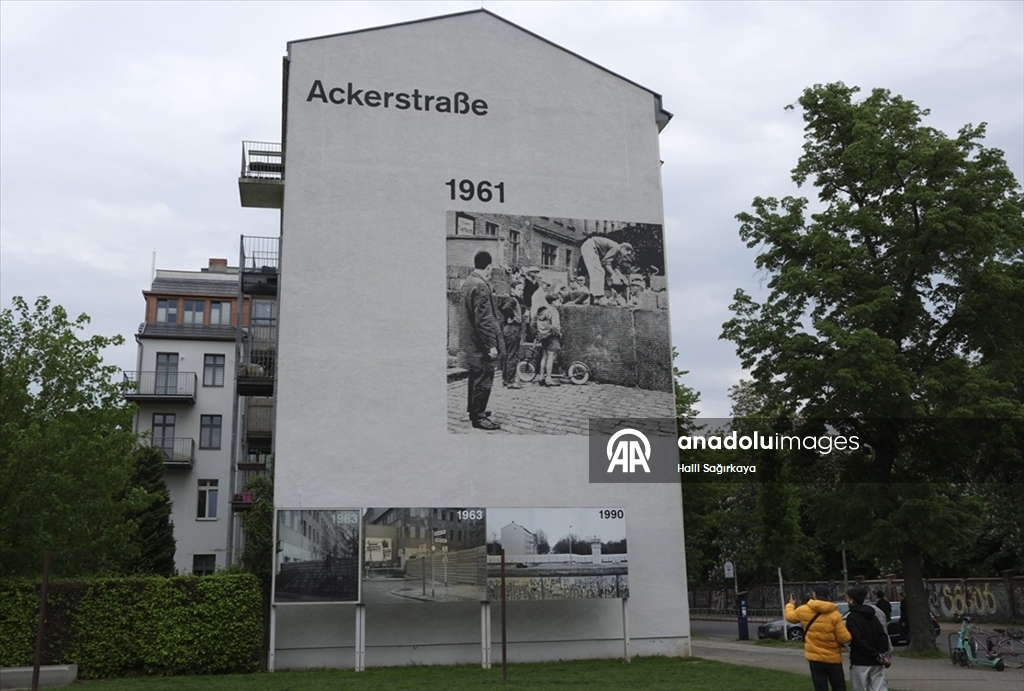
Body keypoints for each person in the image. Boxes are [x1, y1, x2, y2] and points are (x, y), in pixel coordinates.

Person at [458, 251, 502, 430]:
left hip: (470, 340)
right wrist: (491, 345)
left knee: (475, 377)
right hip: (480, 343)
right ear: (489, 267)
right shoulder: (481, 285)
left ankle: (474, 410)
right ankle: (479, 416)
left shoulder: (468, 282)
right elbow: (483, 320)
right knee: (484, 378)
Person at [785, 585, 852, 691]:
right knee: (839, 686)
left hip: (815, 658)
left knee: (820, 686)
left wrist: (790, 605)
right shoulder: (834, 614)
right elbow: (844, 638)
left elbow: (790, 617)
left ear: (814, 595)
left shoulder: (803, 610)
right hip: (833, 658)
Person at [846, 586, 890, 691]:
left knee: (860, 688)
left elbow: (858, 640)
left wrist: (874, 653)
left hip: (861, 661)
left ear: (852, 600)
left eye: (848, 598)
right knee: (878, 688)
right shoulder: (873, 616)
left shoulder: (852, 618)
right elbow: (882, 635)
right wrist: (880, 653)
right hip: (877, 661)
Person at [579, 236, 634, 304]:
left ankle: (592, 298)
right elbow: (606, 263)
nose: (626, 257)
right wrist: (614, 276)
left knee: (595, 273)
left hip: (590, 247)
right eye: (627, 254)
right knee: (599, 272)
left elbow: (613, 267)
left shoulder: (616, 255)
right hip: (590, 246)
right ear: (624, 249)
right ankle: (599, 297)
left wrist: (620, 276)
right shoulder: (616, 247)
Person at [498, 278, 525, 390]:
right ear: (513, 289)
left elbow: (500, 306)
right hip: (513, 330)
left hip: (509, 329)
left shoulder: (512, 299)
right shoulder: (513, 300)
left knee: (508, 355)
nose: (521, 291)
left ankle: (506, 379)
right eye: (519, 289)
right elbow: (504, 308)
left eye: (522, 289)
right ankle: (510, 381)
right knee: (512, 356)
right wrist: (511, 317)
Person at [534, 292, 562, 387]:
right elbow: (555, 326)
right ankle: (548, 378)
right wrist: (559, 333)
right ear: (553, 301)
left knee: (544, 356)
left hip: (543, 336)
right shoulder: (553, 311)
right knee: (551, 357)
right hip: (552, 336)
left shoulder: (542, 310)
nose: (559, 301)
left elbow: (534, 320)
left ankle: (541, 376)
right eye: (558, 300)